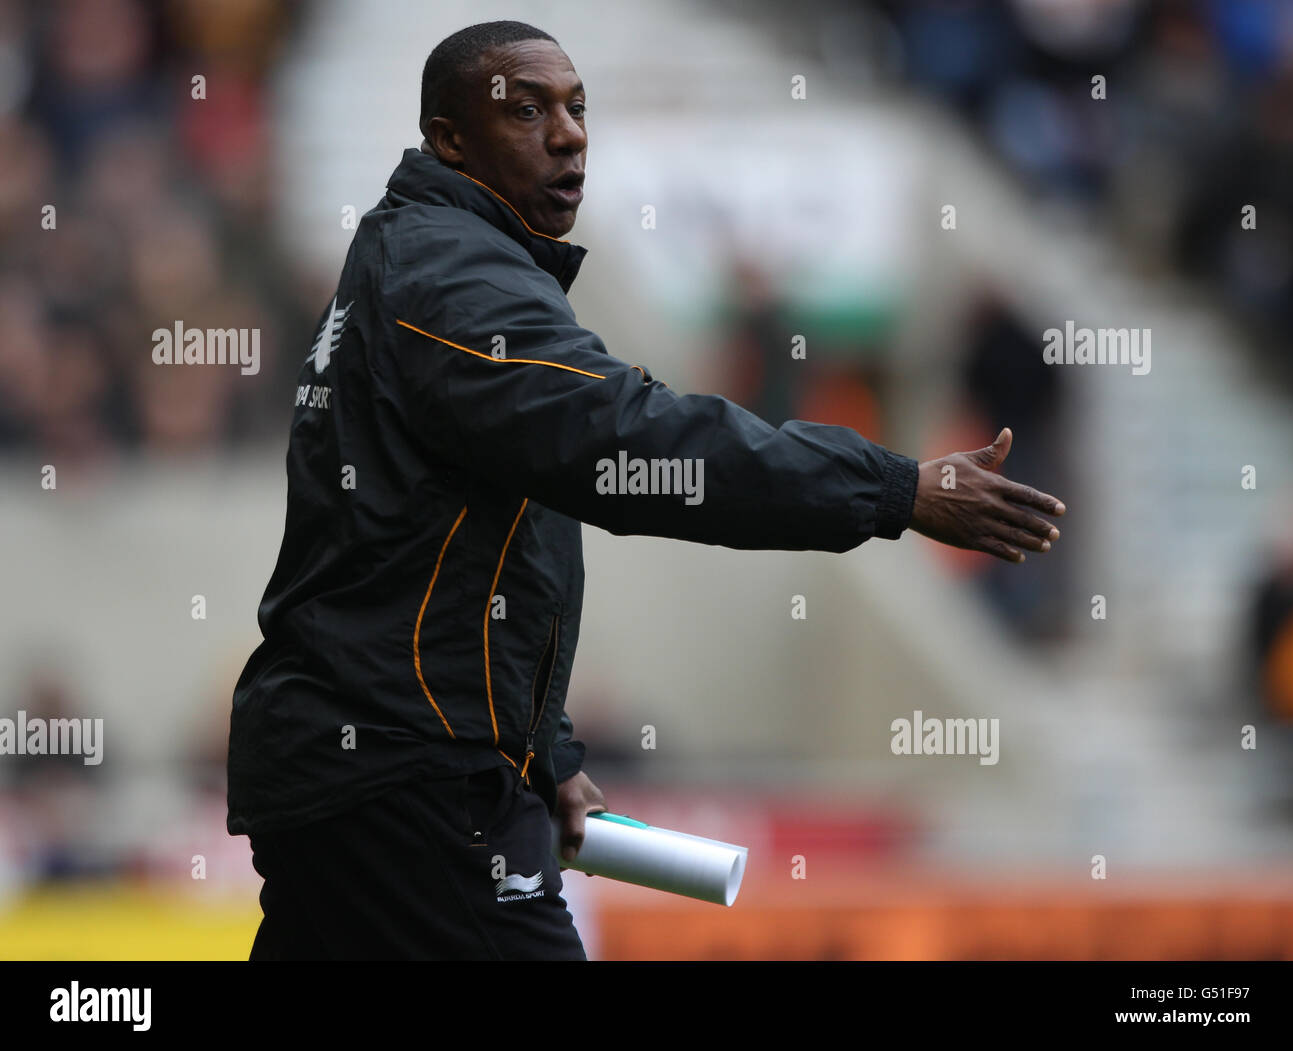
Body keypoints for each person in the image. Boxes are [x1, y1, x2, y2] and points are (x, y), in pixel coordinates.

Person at [226, 20, 1066, 960]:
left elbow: (460, 561)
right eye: (527, 109)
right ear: (448, 138)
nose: (569, 132)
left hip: (355, 768)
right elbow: (630, 439)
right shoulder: (454, 274)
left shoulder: (415, 258)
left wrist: (551, 759)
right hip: (413, 779)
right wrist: (893, 488)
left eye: (578, 108)